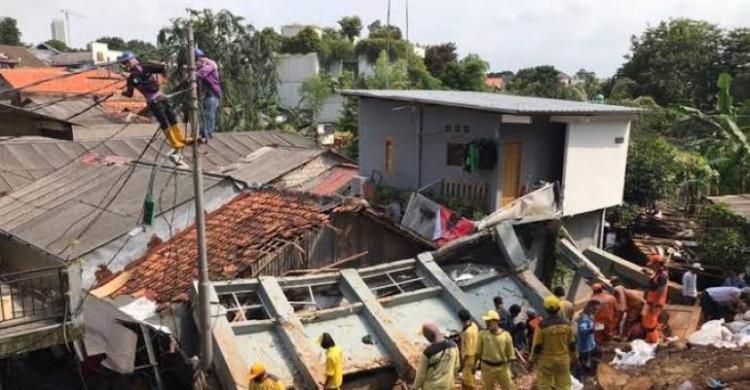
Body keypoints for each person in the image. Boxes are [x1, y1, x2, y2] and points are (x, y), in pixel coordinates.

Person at [117, 51, 189, 151]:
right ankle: (174, 142)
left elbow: (162, 68)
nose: (126, 64)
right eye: (125, 63)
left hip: (161, 96)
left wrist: (159, 77)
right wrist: (123, 92)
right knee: (163, 120)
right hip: (152, 101)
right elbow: (130, 94)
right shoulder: (131, 78)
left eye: (127, 61)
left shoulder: (146, 67)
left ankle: (180, 138)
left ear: (134, 59)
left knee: (172, 117)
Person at [530, 295, 576, 390]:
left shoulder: (541, 326)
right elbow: (572, 343)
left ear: (545, 309)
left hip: (546, 360)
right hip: (563, 359)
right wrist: (575, 356)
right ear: (558, 308)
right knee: (564, 385)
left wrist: (532, 360)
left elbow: (537, 345)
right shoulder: (567, 324)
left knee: (545, 385)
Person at [475, 310, 516, 390]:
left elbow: (511, 355)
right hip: (487, 367)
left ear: (497, 321)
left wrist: (511, 370)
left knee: (508, 387)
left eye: (490, 321)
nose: (488, 323)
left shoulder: (506, 335)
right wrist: (474, 365)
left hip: (502, 367)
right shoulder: (483, 334)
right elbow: (478, 352)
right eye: (486, 321)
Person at [413, 322, 459, 390]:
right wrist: (451, 380)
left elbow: (421, 375)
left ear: (428, 338)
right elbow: (457, 366)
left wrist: (415, 388)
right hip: (448, 385)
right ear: (439, 332)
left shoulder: (428, 353)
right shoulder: (454, 346)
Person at [194, 48, 222, 143]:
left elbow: (201, 74)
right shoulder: (202, 65)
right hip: (207, 95)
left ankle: (206, 135)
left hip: (212, 94)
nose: (196, 63)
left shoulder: (210, 64)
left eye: (196, 61)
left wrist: (192, 74)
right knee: (203, 115)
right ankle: (204, 135)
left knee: (208, 115)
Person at [575, 300, 601, 378]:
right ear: (590, 307)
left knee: (597, 354)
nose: (596, 310)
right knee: (584, 360)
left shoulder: (588, 315)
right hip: (585, 344)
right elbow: (582, 330)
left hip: (590, 342)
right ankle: (585, 374)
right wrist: (594, 329)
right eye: (595, 309)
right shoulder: (584, 318)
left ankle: (589, 371)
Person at [458, 309, 479, 389]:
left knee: (468, 381)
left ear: (461, 319)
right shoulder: (474, 325)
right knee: (466, 378)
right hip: (475, 354)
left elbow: (468, 352)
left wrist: (462, 363)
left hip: (469, 359)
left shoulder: (468, 333)